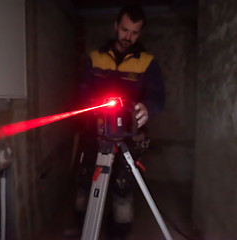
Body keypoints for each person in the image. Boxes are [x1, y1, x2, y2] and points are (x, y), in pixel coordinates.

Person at [65, 4, 165, 240]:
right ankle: (82, 229)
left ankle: (119, 234)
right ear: (116, 26)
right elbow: (81, 90)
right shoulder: (95, 57)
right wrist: (94, 106)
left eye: (134, 32)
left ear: (140, 33)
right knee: (85, 184)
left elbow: (158, 96)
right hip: (94, 133)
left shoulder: (147, 62)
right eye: (124, 30)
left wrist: (146, 108)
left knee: (123, 188)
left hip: (129, 137)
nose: (128, 37)